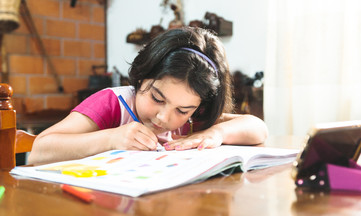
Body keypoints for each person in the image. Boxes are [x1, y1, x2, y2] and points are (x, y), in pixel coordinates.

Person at [28, 27, 268, 164]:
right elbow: (39, 151)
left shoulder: (194, 121)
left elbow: (258, 128)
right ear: (142, 77)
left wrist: (215, 133)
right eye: (157, 98)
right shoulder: (113, 104)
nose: (164, 117)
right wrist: (111, 139)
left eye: (182, 110)